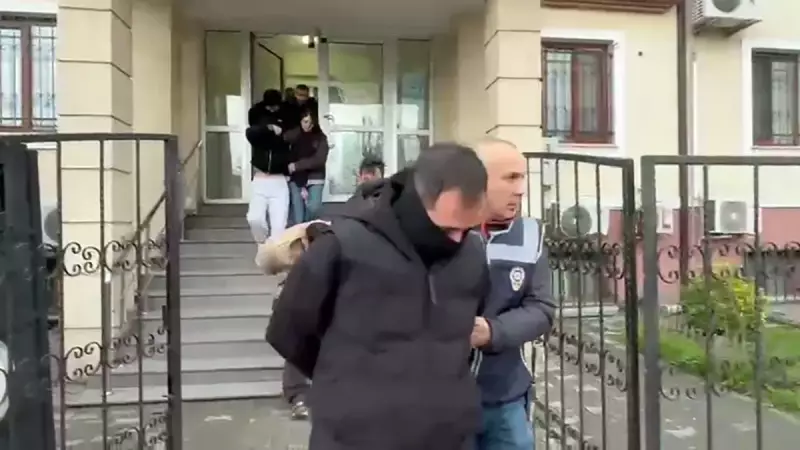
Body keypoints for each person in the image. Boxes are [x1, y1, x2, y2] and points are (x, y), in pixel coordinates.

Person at [266, 143, 490, 450]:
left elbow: (468, 325)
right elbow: (288, 332)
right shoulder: (341, 246)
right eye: (448, 228)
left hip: (448, 438)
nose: (456, 240)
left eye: (466, 229)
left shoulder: (473, 254)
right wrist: (348, 386)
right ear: (417, 200)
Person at [471, 138, 555, 450]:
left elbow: (542, 308)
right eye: (510, 178)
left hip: (505, 395)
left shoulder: (531, 234)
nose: (521, 190)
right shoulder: (444, 232)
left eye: (523, 178)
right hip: (445, 400)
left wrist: (493, 332)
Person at [245, 89, 291, 243]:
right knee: (254, 219)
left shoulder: (286, 116)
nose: (272, 109)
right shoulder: (257, 117)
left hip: (279, 180)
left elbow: (294, 134)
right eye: (269, 107)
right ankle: (263, 245)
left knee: (279, 227)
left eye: (275, 107)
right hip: (260, 179)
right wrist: (268, 128)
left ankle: (274, 251)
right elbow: (250, 132)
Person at [285, 108, 329, 225]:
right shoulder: (295, 135)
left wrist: (297, 165)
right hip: (296, 178)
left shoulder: (321, 138)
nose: (308, 125)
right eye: (305, 121)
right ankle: (301, 230)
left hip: (315, 177)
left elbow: (319, 160)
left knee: (314, 208)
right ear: (300, 121)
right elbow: (283, 140)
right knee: (298, 217)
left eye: (310, 122)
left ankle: (308, 228)